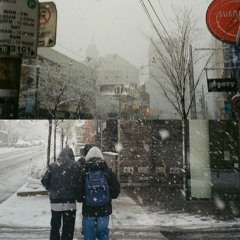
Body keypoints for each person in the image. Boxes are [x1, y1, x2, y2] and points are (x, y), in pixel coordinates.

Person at [78, 146, 120, 240]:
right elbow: (116, 192)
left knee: (89, 236)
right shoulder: (108, 172)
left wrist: (86, 197)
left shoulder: (83, 173)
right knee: (103, 235)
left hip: (88, 211)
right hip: (104, 210)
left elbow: (78, 196)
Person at [41, 147, 81, 240]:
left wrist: (51, 189)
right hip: (70, 203)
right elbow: (80, 182)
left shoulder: (53, 165)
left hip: (55, 202)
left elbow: (44, 180)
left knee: (55, 227)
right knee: (68, 228)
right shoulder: (77, 166)